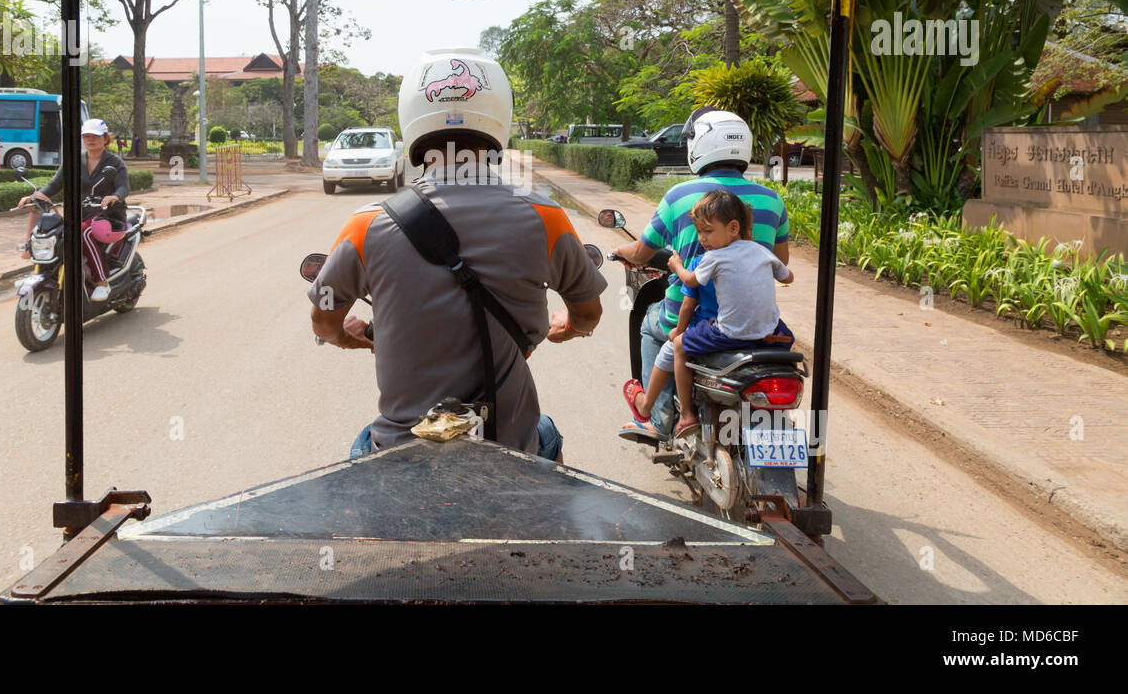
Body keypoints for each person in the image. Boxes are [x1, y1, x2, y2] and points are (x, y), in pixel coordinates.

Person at [308, 50, 607, 463]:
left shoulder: (366, 225)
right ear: (499, 120)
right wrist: (568, 327)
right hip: (509, 444)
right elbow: (588, 314)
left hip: (402, 447)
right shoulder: (545, 217)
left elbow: (324, 322)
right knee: (545, 432)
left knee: (365, 447)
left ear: (411, 123)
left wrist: (348, 337)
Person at [611, 108, 790, 440]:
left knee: (653, 325)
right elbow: (782, 262)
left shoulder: (680, 196)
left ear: (699, 145)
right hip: (754, 321)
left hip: (702, 319)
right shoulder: (772, 200)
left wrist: (621, 253)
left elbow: (641, 253)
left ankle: (659, 419)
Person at [624, 190, 794, 438]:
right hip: (769, 333)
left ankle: (681, 415)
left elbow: (689, 289)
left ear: (734, 227)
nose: (702, 238)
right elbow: (788, 276)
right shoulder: (762, 252)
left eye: (708, 231)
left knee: (677, 344)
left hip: (728, 333)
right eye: (699, 232)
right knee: (787, 346)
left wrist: (676, 266)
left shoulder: (710, 258)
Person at [17, 118, 129, 301]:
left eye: (95, 136)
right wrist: (34, 196)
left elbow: (123, 187)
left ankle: (102, 282)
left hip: (108, 215)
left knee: (84, 233)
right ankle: (42, 273)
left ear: (105, 138)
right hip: (81, 214)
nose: (90, 140)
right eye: (86, 136)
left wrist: (115, 197)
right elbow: (54, 185)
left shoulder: (115, 163)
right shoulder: (74, 160)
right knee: (52, 233)